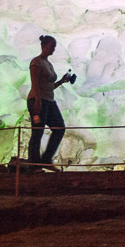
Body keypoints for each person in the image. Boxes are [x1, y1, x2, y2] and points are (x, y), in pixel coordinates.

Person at [26, 35, 75, 171]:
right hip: (38, 100)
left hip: (49, 101)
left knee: (59, 127)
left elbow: (49, 86)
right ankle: (34, 165)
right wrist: (37, 101)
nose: (54, 49)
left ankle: (46, 159)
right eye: (52, 46)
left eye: (55, 46)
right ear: (44, 46)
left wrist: (61, 81)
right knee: (38, 132)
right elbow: (34, 83)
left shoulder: (48, 64)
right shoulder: (36, 62)